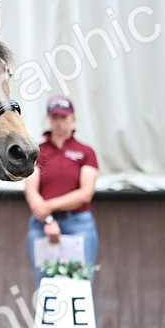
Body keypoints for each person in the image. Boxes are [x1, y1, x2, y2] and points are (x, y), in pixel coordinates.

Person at [23, 95, 99, 288]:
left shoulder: (85, 152)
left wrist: (47, 207)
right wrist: (48, 220)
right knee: (45, 284)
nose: (58, 122)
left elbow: (85, 193)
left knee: (80, 283)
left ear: (73, 118)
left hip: (78, 223)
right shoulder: (37, 151)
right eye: (54, 117)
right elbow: (31, 189)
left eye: (63, 117)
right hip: (41, 225)